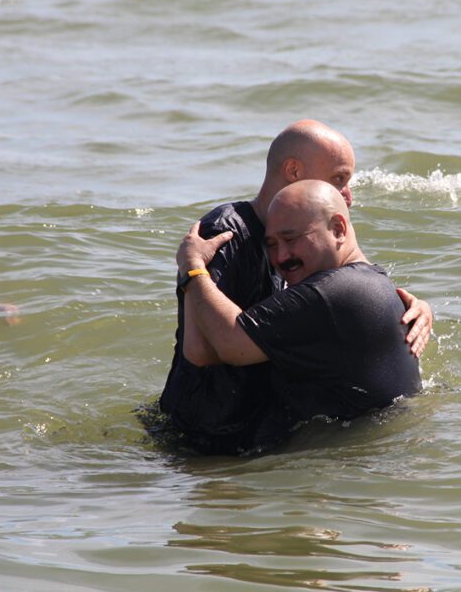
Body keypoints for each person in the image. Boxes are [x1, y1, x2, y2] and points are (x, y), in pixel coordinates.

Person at [156, 119, 432, 454]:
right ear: (293, 170)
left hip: (255, 435)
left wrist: (401, 304)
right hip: (207, 437)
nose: (348, 195)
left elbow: (336, 292)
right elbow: (201, 350)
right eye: (339, 179)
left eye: (288, 240)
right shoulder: (223, 233)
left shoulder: (315, 252)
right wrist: (192, 269)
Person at [176, 179, 422, 432]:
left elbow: (230, 343)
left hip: (344, 459)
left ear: (338, 228)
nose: (281, 257)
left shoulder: (326, 294)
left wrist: (192, 268)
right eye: (271, 244)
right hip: (375, 449)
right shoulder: (374, 281)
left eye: (291, 239)